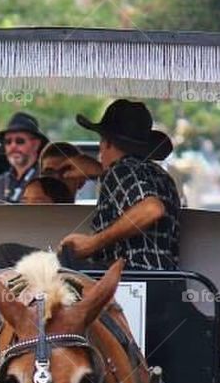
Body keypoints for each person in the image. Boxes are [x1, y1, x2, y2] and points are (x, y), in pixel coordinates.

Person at [57, 99, 180, 271]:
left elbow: (152, 209)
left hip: (131, 278)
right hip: (167, 279)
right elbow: (132, 187)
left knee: (22, 258)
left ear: (107, 142)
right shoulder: (162, 176)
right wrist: (100, 171)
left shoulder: (121, 170)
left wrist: (92, 243)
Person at [0, 112, 48, 203]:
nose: (13, 146)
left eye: (19, 141)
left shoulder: (45, 179)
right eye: (8, 142)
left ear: (36, 144)